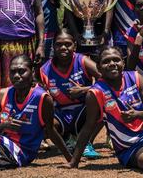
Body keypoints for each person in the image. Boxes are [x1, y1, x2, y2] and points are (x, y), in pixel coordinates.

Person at [39, 28, 102, 159]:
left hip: (83, 111)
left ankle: (86, 143)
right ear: (53, 46)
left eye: (68, 44)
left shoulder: (83, 61)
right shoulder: (44, 70)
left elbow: (107, 81)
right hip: (60, 113)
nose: (63, 47)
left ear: (75, 45)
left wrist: (84, 90)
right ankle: (67, 139)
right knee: (43, 126)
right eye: (59, 44)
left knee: (106, 107)